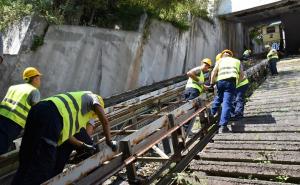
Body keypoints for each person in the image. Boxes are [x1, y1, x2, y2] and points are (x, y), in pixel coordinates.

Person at [11, 91, 117, 185]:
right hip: (52, 115)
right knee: (44, 165)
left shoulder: (72, 114)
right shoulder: (93, 98)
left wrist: (83, 145)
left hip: (37, 110)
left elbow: (67, 137)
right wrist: (109, 141)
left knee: (26, 160)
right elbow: (105, 121)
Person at [0, 67, 42, 155]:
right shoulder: (34, 91)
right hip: (14, 123)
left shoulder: (13, 87)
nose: (39, 81)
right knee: (1, 146)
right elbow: (36, 112)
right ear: (35, 78)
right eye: (39, 78)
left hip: (2, 117)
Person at [209, 49, 244, 133]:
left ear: (223, 55)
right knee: (227, 103)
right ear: (230, 55)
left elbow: (214, 72)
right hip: (230, 82)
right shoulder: (236, 61)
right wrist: (237, 83)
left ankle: (211, 113)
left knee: (219, 97)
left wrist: (211, 82)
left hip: (220, 82)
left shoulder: (220, 60)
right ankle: (223, 126)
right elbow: (242, 75)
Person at [182, 58, 212, 135]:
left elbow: (199, 84)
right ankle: (185, 130)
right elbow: (189, 73)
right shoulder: (199, 70)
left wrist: (204, 87)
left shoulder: (200, 73)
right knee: (191, 110)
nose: (207, 69)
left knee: (188, 110)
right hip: (192, 91)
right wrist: (200, 82)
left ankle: (185, 130)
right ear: (205, 65)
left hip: (190, 90)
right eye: (207, 67)